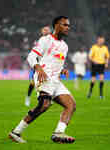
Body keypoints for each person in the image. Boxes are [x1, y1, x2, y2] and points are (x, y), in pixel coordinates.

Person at [9, 16, 76, 144]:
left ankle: (58, 133)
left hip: (56, 80)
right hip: (44, 76)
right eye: (64, 25)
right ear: (56, 25)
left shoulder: (65, 46)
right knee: (44, 104)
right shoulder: (46, 40)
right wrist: (38, 67)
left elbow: (56, 61)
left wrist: (63, 70)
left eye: (68, 25)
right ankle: (15, 132)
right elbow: (31, 56)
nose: (68, 27)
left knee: (71, 105)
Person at [25, 26, 51, 107]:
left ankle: (48, 99)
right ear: (42, 31)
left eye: (47, 30)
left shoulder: (52, 41)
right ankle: (28, 97)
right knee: (33, 83)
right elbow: (34, 53)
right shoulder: (39, 41)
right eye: (44, 29)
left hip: (48, 65)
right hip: (39, 64)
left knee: (49, 82)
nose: (46, 31)